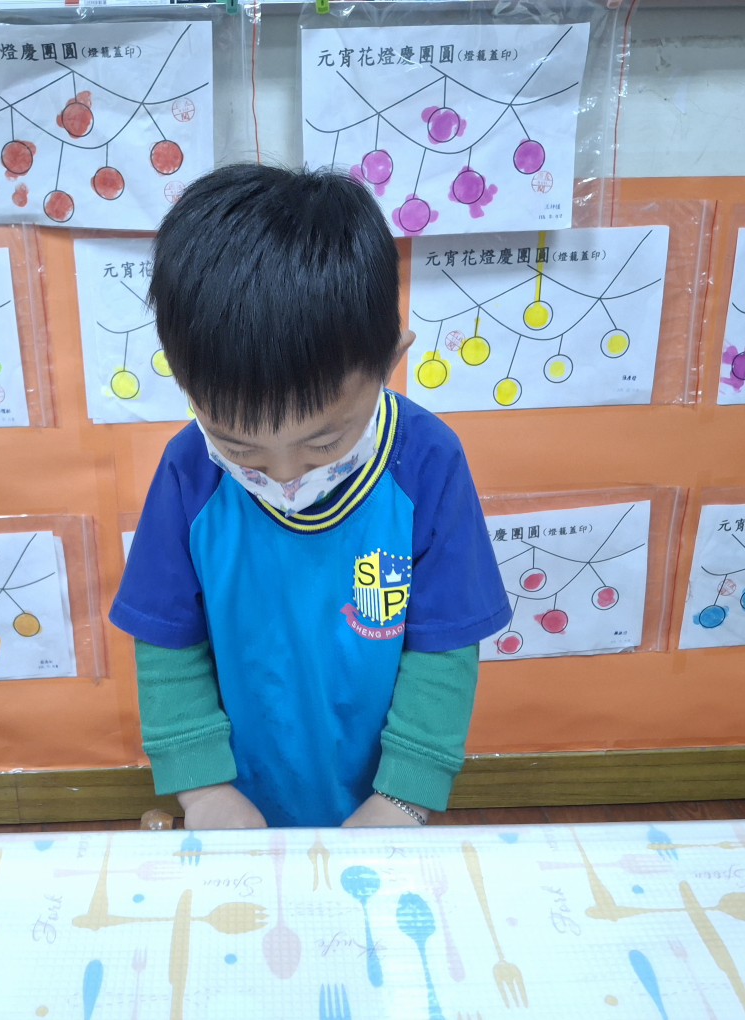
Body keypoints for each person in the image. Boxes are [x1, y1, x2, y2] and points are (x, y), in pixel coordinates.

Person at [110, 163, 510, 829]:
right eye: (240, 446)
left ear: (390, 362)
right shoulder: (189, 470)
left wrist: (404, 796)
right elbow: (167, 641)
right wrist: (202, 789)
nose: (286, 476)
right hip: (236, 789)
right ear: (182, 381)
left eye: (323, 442)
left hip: (379, 796)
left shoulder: (428, 463)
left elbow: (443, 649)